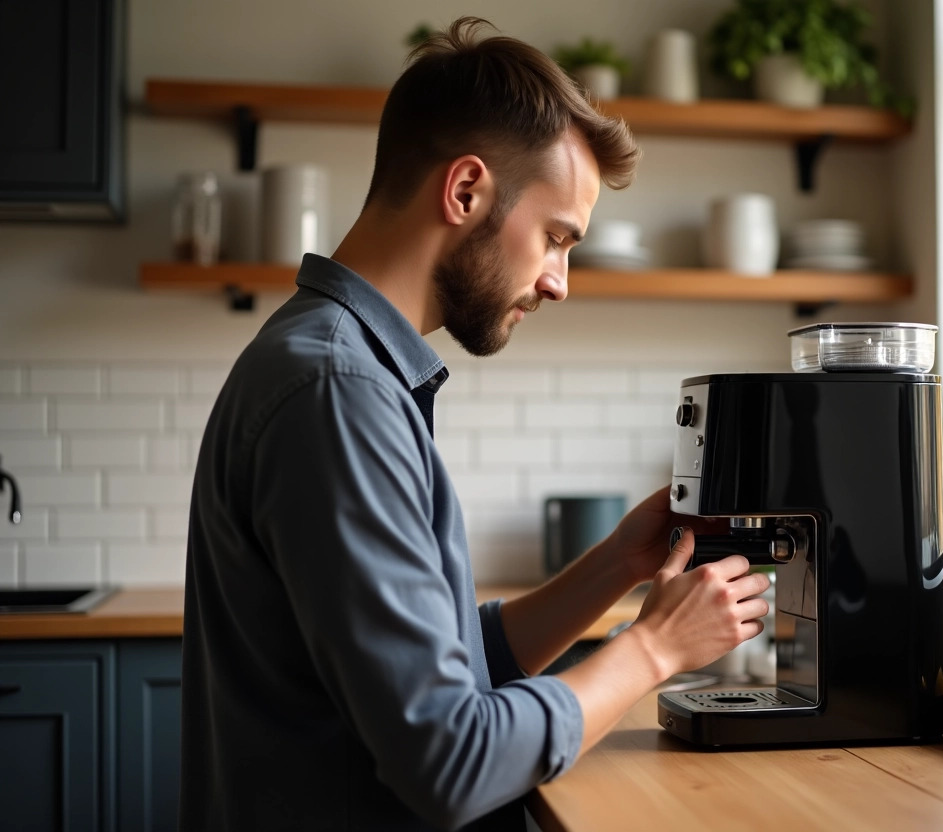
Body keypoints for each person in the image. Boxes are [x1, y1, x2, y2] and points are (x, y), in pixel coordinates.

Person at [179, 17, 770, 832]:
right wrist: (653, 650)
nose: (560, 282)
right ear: (465, 192)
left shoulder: (341, 367)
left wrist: (613, 566)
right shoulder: (337, 392)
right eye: (557, 238)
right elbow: (449, 761)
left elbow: (454, 666)